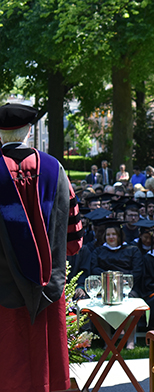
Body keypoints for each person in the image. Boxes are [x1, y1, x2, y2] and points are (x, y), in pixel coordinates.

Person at [0, 103, 83, 391]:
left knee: (8, 363)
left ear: (0, 134)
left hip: (3, 290)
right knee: (45, 363)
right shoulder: (54, 169)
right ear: (30, 131)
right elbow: (73, 238)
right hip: (49, 286)